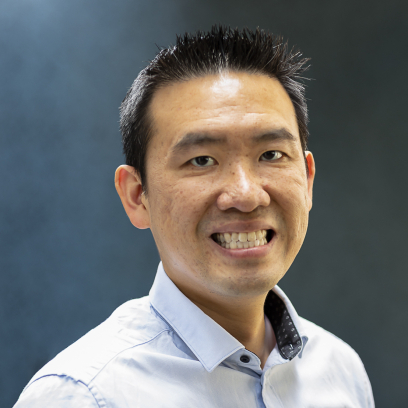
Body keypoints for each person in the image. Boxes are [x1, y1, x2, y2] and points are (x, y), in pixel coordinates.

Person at [14, 26, 375, 407]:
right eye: (201, 160)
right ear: (137, 196)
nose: (246, 195)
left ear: (307, 180)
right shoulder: (84, 394)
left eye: (271, 155)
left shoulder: (340, 371)